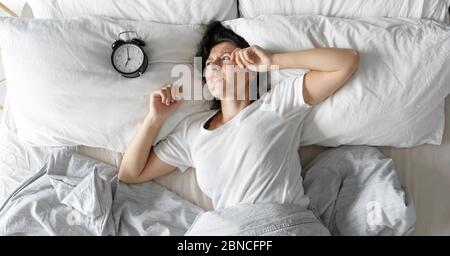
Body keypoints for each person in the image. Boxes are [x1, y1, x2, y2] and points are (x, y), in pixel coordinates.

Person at [118, 22, 359, 210]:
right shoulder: (192, 131)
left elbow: (346, 62)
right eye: (209, 63)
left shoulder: (277, 104)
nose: (213, 67)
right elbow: (130, 174)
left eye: (224, 59)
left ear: (249, 69)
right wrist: (155, 119)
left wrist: (274, 61)